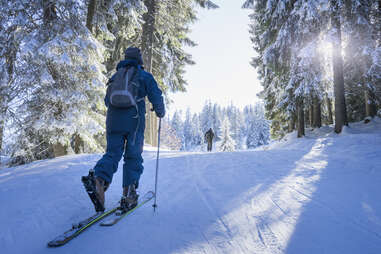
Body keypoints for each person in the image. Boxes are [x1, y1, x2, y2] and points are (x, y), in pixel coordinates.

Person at [82, 47, 165, 213]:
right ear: (139, 60)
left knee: (112, 154)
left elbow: (107, 101)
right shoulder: (143, 75)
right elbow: (155, 94)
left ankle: (99, 181)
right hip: (134, 121)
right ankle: (129, 193)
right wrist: (160, 111)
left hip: (113, 121)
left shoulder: (115, 77)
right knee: (133, 156)